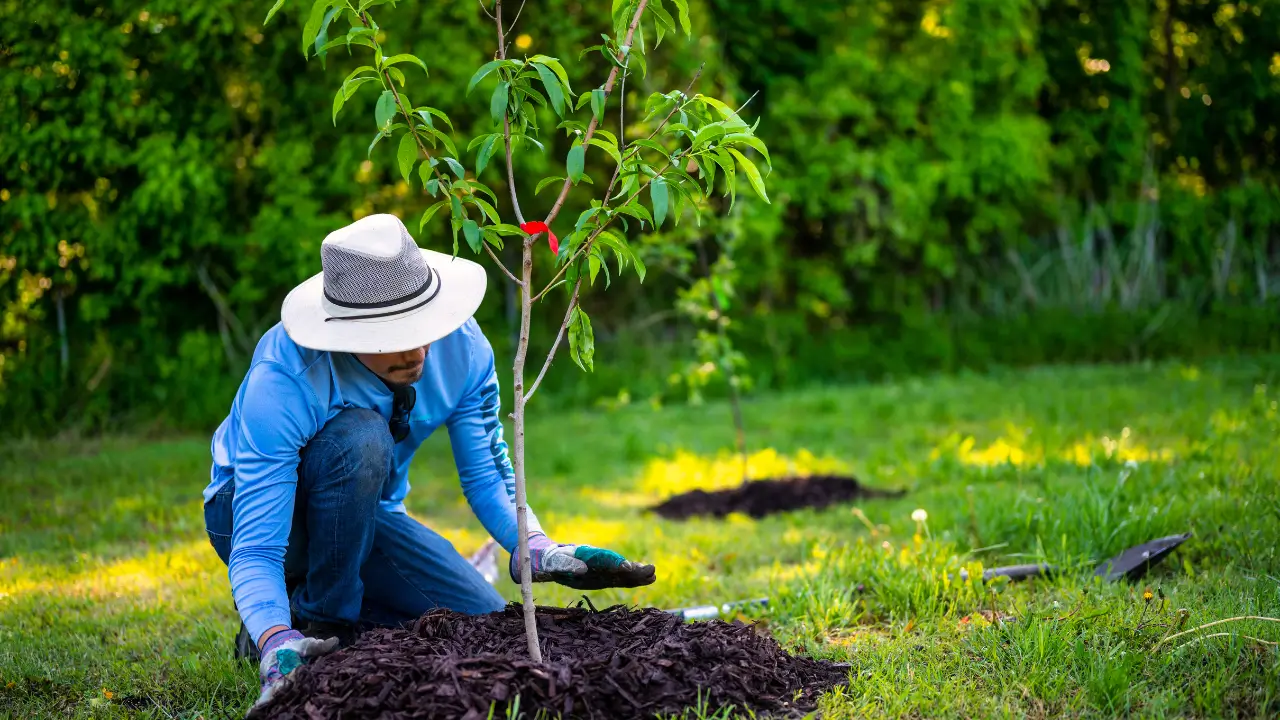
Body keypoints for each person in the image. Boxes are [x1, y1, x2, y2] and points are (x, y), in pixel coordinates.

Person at [201, 213, 655, 709]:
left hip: (367, 518)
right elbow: (257, 547)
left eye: (423, 325)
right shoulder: (287, 377)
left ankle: (305, 614)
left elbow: (487, 473)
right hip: (253, 516)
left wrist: (536, 547)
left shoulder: (463, 349)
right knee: (361, 437)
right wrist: (274, 640)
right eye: (392, 334)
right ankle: (308, 627)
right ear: (346, 334)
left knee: (479, 618)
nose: (418, 349)